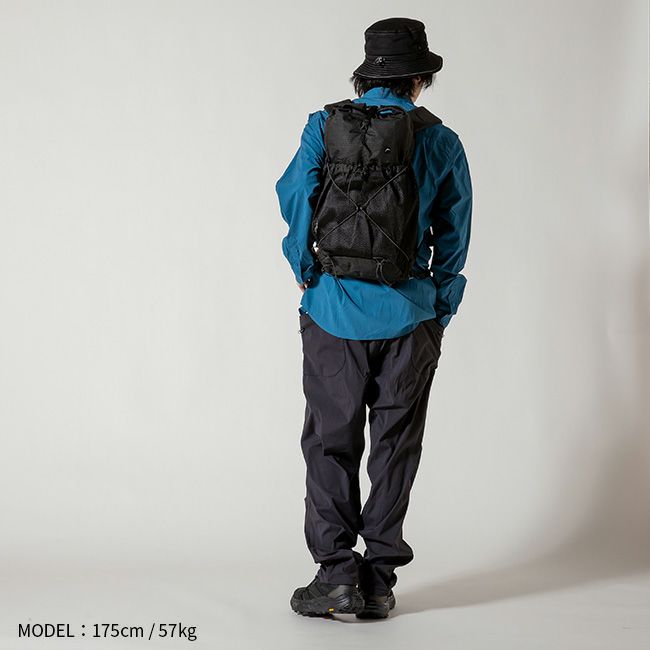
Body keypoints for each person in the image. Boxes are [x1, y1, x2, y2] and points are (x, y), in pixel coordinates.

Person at [275, 16, 473, 619]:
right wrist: (440, 304)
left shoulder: (323, 126)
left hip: (333, 311)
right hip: (410, 317)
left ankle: (336, 576)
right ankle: (379, 581)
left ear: (365, 75)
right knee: (395, 446)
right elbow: (455, 232)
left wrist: (306, 271)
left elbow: (294, 198)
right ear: (419, 79)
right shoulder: (440, 140)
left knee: (329, 444)